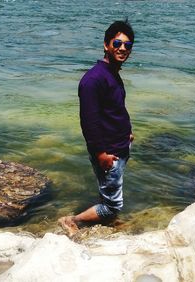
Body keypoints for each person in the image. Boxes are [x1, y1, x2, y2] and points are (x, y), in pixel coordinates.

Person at [59, 20, 135, 236]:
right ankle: (71, 220)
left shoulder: (112, 73)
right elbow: (89, 122)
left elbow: (114, 109)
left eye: (127, 45)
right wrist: (101, 153)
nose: (122, 48)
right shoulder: (92, 80)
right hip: (109, 152)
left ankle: (107, 221)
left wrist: (127, 132)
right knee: (113, 205)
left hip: (119, 146)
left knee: (110, 192)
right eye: (117, 43)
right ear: (106, 44)